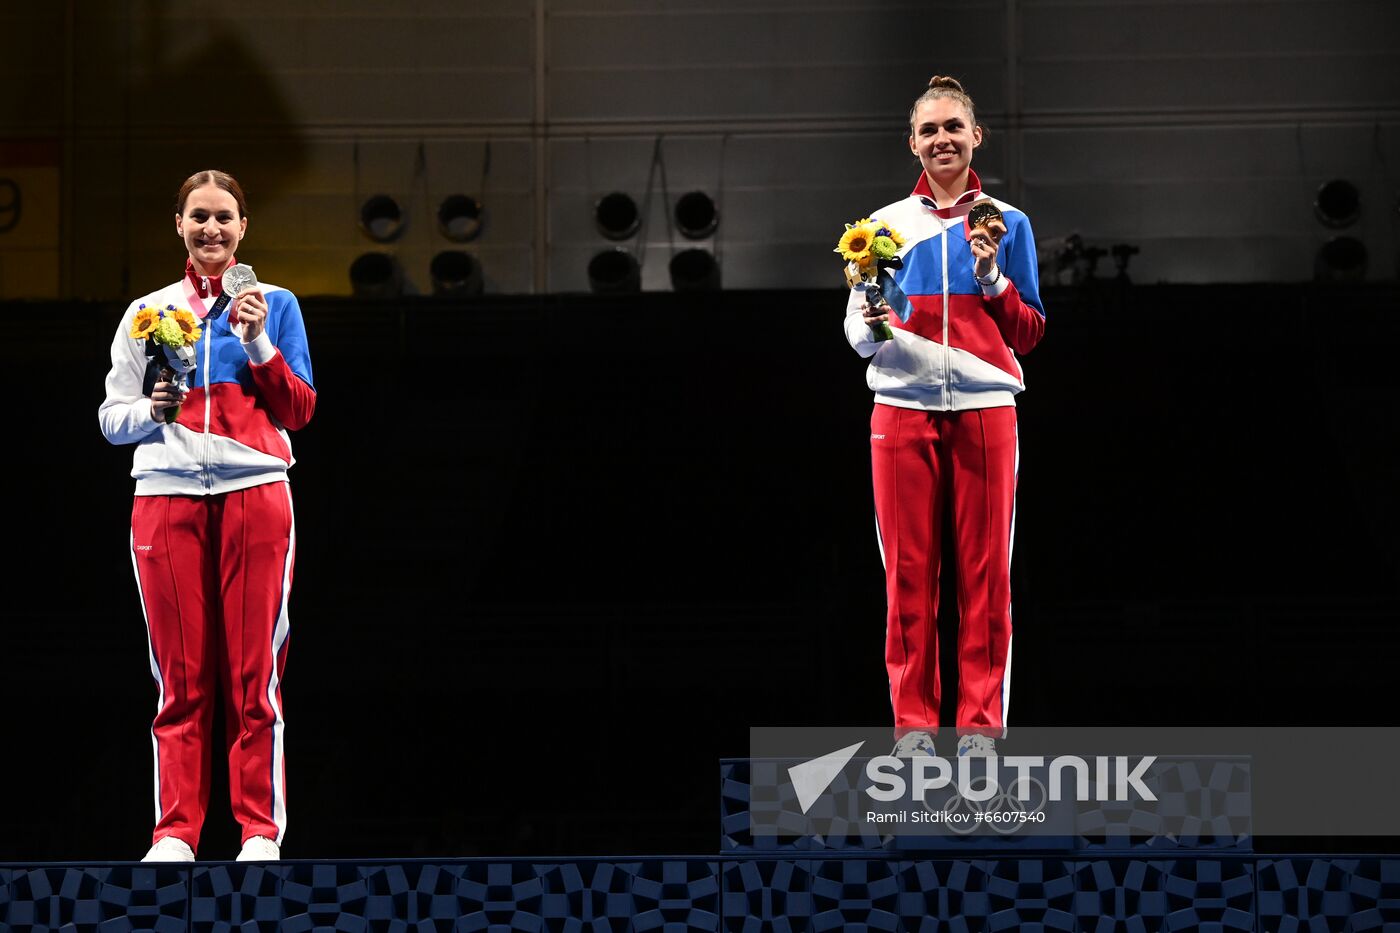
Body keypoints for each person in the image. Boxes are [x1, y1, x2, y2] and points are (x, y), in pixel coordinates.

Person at [99, 170, 316, 862]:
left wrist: (258, 344)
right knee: (181, 678)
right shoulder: (147, 311)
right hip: (165, 496)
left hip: (256, 491)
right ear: (179, 225)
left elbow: (299, 411)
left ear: (244, 227)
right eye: (199, 217)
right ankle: (175, 832)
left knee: (254, 675)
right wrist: (155, 410)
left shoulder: (275, 304)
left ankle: (257, 829)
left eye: (225, 217)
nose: (212, 229)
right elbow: (111, 418)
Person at [844, 77, 1045, 758]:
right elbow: (858, 333)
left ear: (975, 135)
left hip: (987, 410)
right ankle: (915, 737)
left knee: (987, 579)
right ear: (913, 144)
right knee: (907, 579)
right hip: (900, 412)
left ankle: (982, 735)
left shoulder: (1008, 223)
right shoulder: (880, 228)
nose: (942, 139)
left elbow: (1029, 333)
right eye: (930, 130)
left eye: (953, 127)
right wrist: (872, 322)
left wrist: (993, 280)